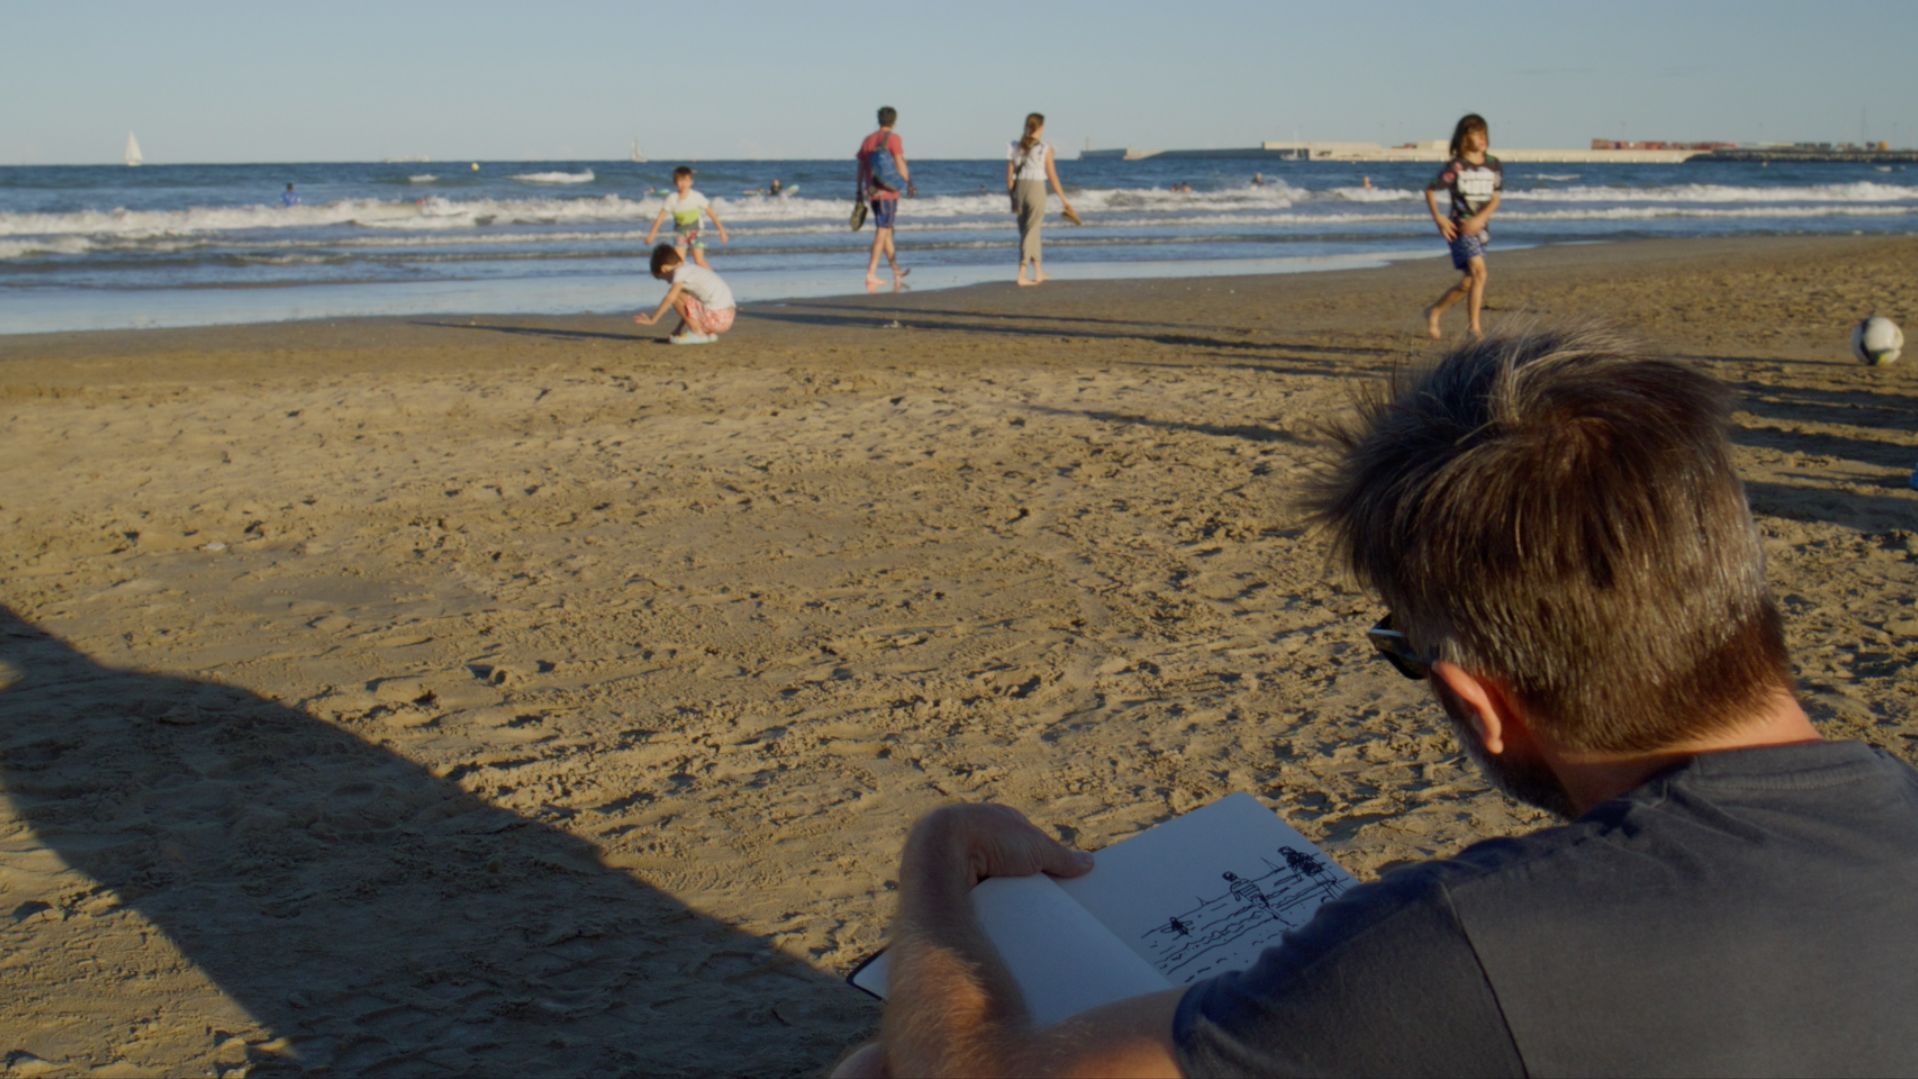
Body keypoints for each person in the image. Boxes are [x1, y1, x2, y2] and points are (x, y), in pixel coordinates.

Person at [834, 327, 1918, 1078]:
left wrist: (938, 860)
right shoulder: (1889, 803)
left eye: (1405, 646)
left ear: (1478, 699)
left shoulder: (1465, 942)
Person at [1423, 113, 1503, 339]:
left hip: (1482, 229)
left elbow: (1496, 197)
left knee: (1469, 282)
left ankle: (1435, 311)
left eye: (1484, 133)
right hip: (1460, 229)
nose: (1482, 138)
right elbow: (1430, 189)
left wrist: (1481, 218)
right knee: (1480, 273)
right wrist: (1439, 218)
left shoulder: (1493, 164)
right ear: (1464, 138)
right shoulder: (1456, 167)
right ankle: (1474, 329)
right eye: (1476, 134)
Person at [1004, 112, 1079, 287]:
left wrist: (1012, 198)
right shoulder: (1045, 148)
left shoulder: (1015, 146)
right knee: (1032, 231)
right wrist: (1064, 200)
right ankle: (1022, 274)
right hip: (1036, 188)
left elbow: (1009, 177)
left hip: (1019, 190)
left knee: (1029, 230)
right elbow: (1053, 177)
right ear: (1041, 127)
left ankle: (1038, 272)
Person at [856, 105, 914, 293]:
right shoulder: (894, 139)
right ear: (894, 120)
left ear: (878, 119)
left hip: (872, 191)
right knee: (882, 231)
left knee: (886, 231)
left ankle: (895, 270)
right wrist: (908, 183)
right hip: (888, 193)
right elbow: (900, 164)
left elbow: (860, 168)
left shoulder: (868, 140)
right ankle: (871, 273)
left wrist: (859, 189)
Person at [632, 243, 734, 345]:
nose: (668, 282)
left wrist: (653, 319)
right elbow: (688, 309)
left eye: (663, 278)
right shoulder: (689, 268)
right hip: (726, 317)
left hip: (717, 318)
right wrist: (678, 329)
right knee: (683, 295)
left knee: (676, 295)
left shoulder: (680, 272)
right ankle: (705, 333)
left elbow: (670, 298)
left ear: (664, 269)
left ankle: (698, 333)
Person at [644, 166, 729, 270]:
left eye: (686, 180)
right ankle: (683, 283)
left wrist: (721, 230)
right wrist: (652, 233)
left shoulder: (696, 196)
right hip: (680, 232)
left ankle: (712, 280)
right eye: (680, 181)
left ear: (691, 182)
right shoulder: (672, 198)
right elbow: (660, 217)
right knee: (679, 261)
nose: (683, 184)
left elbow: (711, 213)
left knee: (699, 260)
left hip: (696, 230)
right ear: (675, 183)